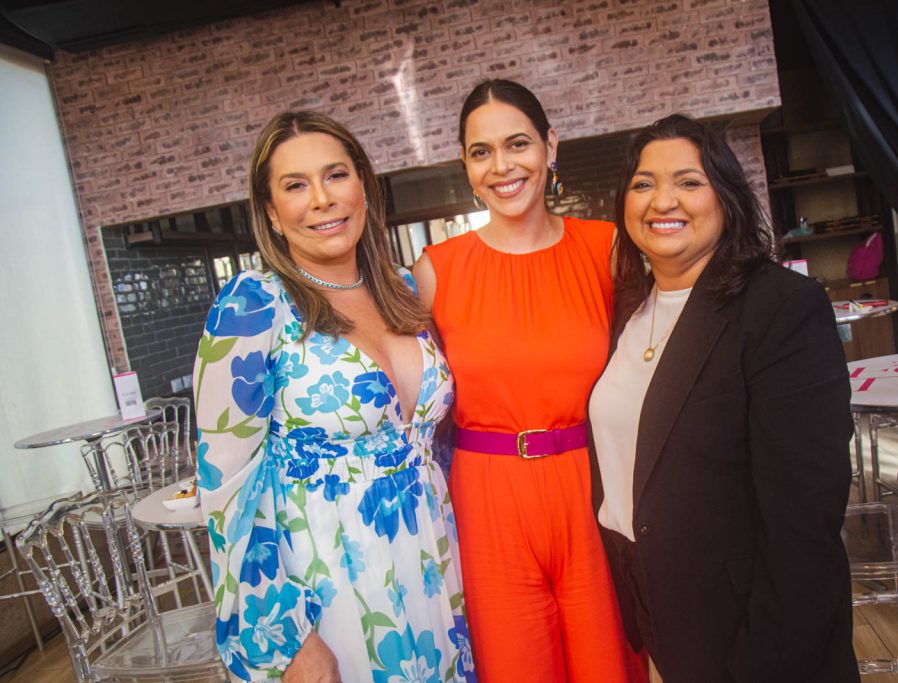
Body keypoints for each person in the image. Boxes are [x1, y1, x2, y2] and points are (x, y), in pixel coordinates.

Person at [193, 110, 474, 683]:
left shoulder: (402, 289)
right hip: (329, 585)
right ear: (271, 212)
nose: (321, 199)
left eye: (335, 176)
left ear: (364, 188)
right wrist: (287, 636)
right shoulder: (252, 307)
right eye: (295, 185)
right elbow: (226, 491)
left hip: (431, 565)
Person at [588, 114, 859, 682]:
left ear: (727, 197)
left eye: (688, 182)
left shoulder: (781, 308)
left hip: (754, 633)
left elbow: (804, 522)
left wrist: (763, 660)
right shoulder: (627, 314)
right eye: (643, 184)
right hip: (659, 611)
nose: (663, 200)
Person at [413, 79, 643, 683]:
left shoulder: (607, 248)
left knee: (610, 667)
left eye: (517, 144)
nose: (502, 166)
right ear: (465, 164)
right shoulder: (437, 270)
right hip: (487, 498)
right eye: (481, 151)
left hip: (590, 484)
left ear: (550, 146)